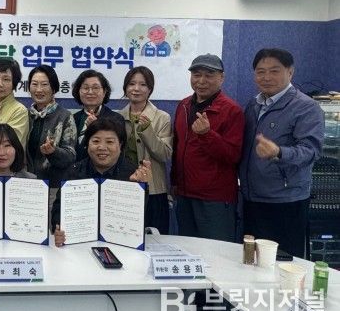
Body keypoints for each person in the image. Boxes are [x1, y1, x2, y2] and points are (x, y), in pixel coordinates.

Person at [240, 48, 324, 258]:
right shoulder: (253, 105)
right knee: (252, 260)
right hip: (252, 198)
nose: (266, 77)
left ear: (290, 72)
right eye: (261, 72)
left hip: (285, 201)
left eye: (274, 71)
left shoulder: (306, 107)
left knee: (283, 263)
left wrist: (279, 152)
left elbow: (311, 151)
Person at [171, 54, 244, 242]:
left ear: (222, 77)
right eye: (196, 75)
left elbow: (233, 156)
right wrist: (174, 182)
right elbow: (177, 147)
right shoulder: (183, 105)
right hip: (184, 196)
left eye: (209, 75)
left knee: (216, 253)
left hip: (215, 200)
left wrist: (206, 135)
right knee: (187, 250)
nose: (201, 81)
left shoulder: (232, 110)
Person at [51, 118, 152, 247]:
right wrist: (58, 228)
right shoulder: (74, 172)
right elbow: (58, 210)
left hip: (121, 244)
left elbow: (139, 218)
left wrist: (141, 188)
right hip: (78, 245)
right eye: (96, 141)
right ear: (87, 144)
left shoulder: (132, 174)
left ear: (120, 145)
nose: (102, 147)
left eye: (110, 142)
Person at [117, 66, 173, 234]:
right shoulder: (118, 117)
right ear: (125, 88)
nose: (136, 88)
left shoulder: (162, 117)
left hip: (154, 189)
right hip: (124, 187)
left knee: (155, 238)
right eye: (131, 84)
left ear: (150, 89)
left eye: (143, 84)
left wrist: (147, 130)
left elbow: (164, 154)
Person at [26, 65, 77, 211]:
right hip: (25, 184)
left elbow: (70, 155)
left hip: (53, 187)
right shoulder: (25, 115)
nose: (39, 89)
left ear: (53, 88)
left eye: (44, 84)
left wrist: (53, 152)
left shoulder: (65, 116)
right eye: (34, 84)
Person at [72, 69, 125, 162]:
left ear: (104, 92)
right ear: (78, 91)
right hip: (75, 169)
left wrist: (95, 127)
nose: (90, 92)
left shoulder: (116, 119)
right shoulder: (73, 118)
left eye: (95, 88)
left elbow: (119, 152)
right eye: (85, 88)